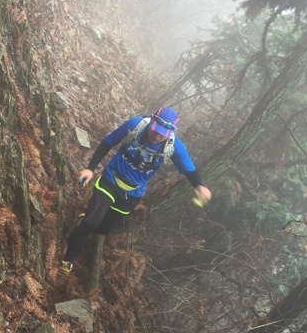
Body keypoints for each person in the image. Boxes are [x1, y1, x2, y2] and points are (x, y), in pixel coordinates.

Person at [59, 107, 212, 274]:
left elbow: (190, 170)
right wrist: (90, 168)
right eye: (155, 130)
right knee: (91, 222)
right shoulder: (135, 125)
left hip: (132, 195)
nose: (157, 136)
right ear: (152, 119)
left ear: (171, 132)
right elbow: (108, 142)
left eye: (163, 134)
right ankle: (67, 261)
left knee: (103, 229)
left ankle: (88, 221)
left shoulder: (173, 146)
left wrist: (200, 186)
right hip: (111, 180)